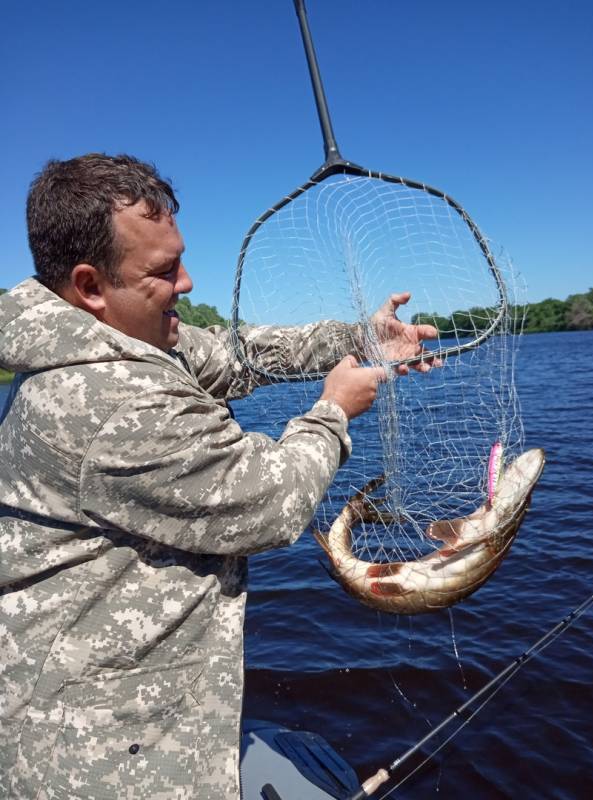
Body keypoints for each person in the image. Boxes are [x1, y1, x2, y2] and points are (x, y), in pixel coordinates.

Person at [0, 154, 438, 800]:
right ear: (90, 286)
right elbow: (270, 502)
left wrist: (362, 337)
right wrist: (333, 412)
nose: (187, 282)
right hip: (103, 759)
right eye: (163, 270)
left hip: (132, 712)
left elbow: (238, 355)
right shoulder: (106, 402)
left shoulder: (123, 334)